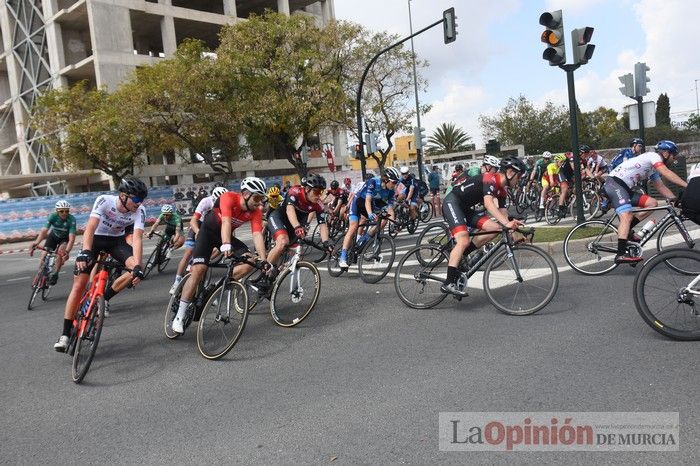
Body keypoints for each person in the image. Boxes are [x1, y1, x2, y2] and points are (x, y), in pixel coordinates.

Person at [53, 177, 148, 351]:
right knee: (79, 284)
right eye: (136, 199)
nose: (139, 203)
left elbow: (137, 238)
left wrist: (138, 266)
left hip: (116, 242)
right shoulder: (104, 200)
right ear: (123, 196)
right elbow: (90, 227)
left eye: (141, 200)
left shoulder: (139, 211)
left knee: (136, 268)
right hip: (96, 239)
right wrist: (86, 251)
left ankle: (104, 297)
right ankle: (65, 334)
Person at [171, 177, 269, 334]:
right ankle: (179, 316)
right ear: (245, 194)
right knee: (199, 270)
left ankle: (218, 285)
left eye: (262, 199)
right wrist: (226, 243)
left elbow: (257, 235)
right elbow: (226, 222)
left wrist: (264, 261)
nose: (259, 203)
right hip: (208, 233)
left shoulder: (256, 211)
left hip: (225, 236)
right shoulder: (228, 197)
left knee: (250, 260)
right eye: (257, 198)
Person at [441, 157, 527, 296]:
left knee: (496, 229)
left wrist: (514, 233)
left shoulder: (502, 190)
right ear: (510, 172)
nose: (520, 179)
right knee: (463, 240)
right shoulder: (490, 178)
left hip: (464, 208)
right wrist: (506, 223)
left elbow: (504, 215)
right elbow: (488, 204)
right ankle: (448, 283)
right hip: (452, 203)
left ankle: (462, 254)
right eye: (519, 175)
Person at [603, 140, 687, 264]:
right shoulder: (653, 156)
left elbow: (661, 187)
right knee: (626, 216)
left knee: (652, 203)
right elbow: (666, 172)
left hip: (625, 188)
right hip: (615, 184)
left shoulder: (652, 169)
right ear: (665, 153)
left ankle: (628, 231)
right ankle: (620, 254)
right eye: (673, 155)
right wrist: (688, 186)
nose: (674, 159)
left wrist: (674, 199)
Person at [266, 174, 333, 276]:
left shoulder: (318, 205)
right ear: (307, 189)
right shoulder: (295, 192)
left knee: (296, 251)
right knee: (282, 242)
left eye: (321, 192)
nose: (319, 195)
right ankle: (264, 273)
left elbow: (322, 224)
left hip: (295, 224)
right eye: (316, 191)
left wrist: (326, 242)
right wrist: (297, 226)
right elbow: (290, 210)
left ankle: (276, 274)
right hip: (279, 218)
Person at [169, 186, 227, 294]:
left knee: (219, 249)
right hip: (198, 225)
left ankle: (200, 263)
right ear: (213, 198)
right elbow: (193, 221)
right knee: (188, 252)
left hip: (212, 227)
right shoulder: (206, 201)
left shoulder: (226, 205)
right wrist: (199, 233)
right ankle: (177, 281)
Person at [339, 167, 399, 268]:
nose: (395, 185)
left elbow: (390, 209)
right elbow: (367, 200)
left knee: (384, 220)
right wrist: (370, 214)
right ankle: (343, 257)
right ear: (386, 179)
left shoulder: (391, 191)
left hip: (371, 204)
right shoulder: (373, 182)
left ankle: (365, 238)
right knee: (353, 227)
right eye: (394, 182)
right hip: (358, 202)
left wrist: (393, 223)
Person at [30, 200, 77, 285]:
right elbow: (44, 231)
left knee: (60, 253)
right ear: (57, 211)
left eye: (67, 211)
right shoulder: (52, 216)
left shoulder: (71, 220)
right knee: (43, 254)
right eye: (61, 211)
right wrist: (36, 243)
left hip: (64, 239)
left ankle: (55, 274)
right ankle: (42, 273)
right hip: (53, 236)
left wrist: (67, 252)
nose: (64, 213)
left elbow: (71, 239)